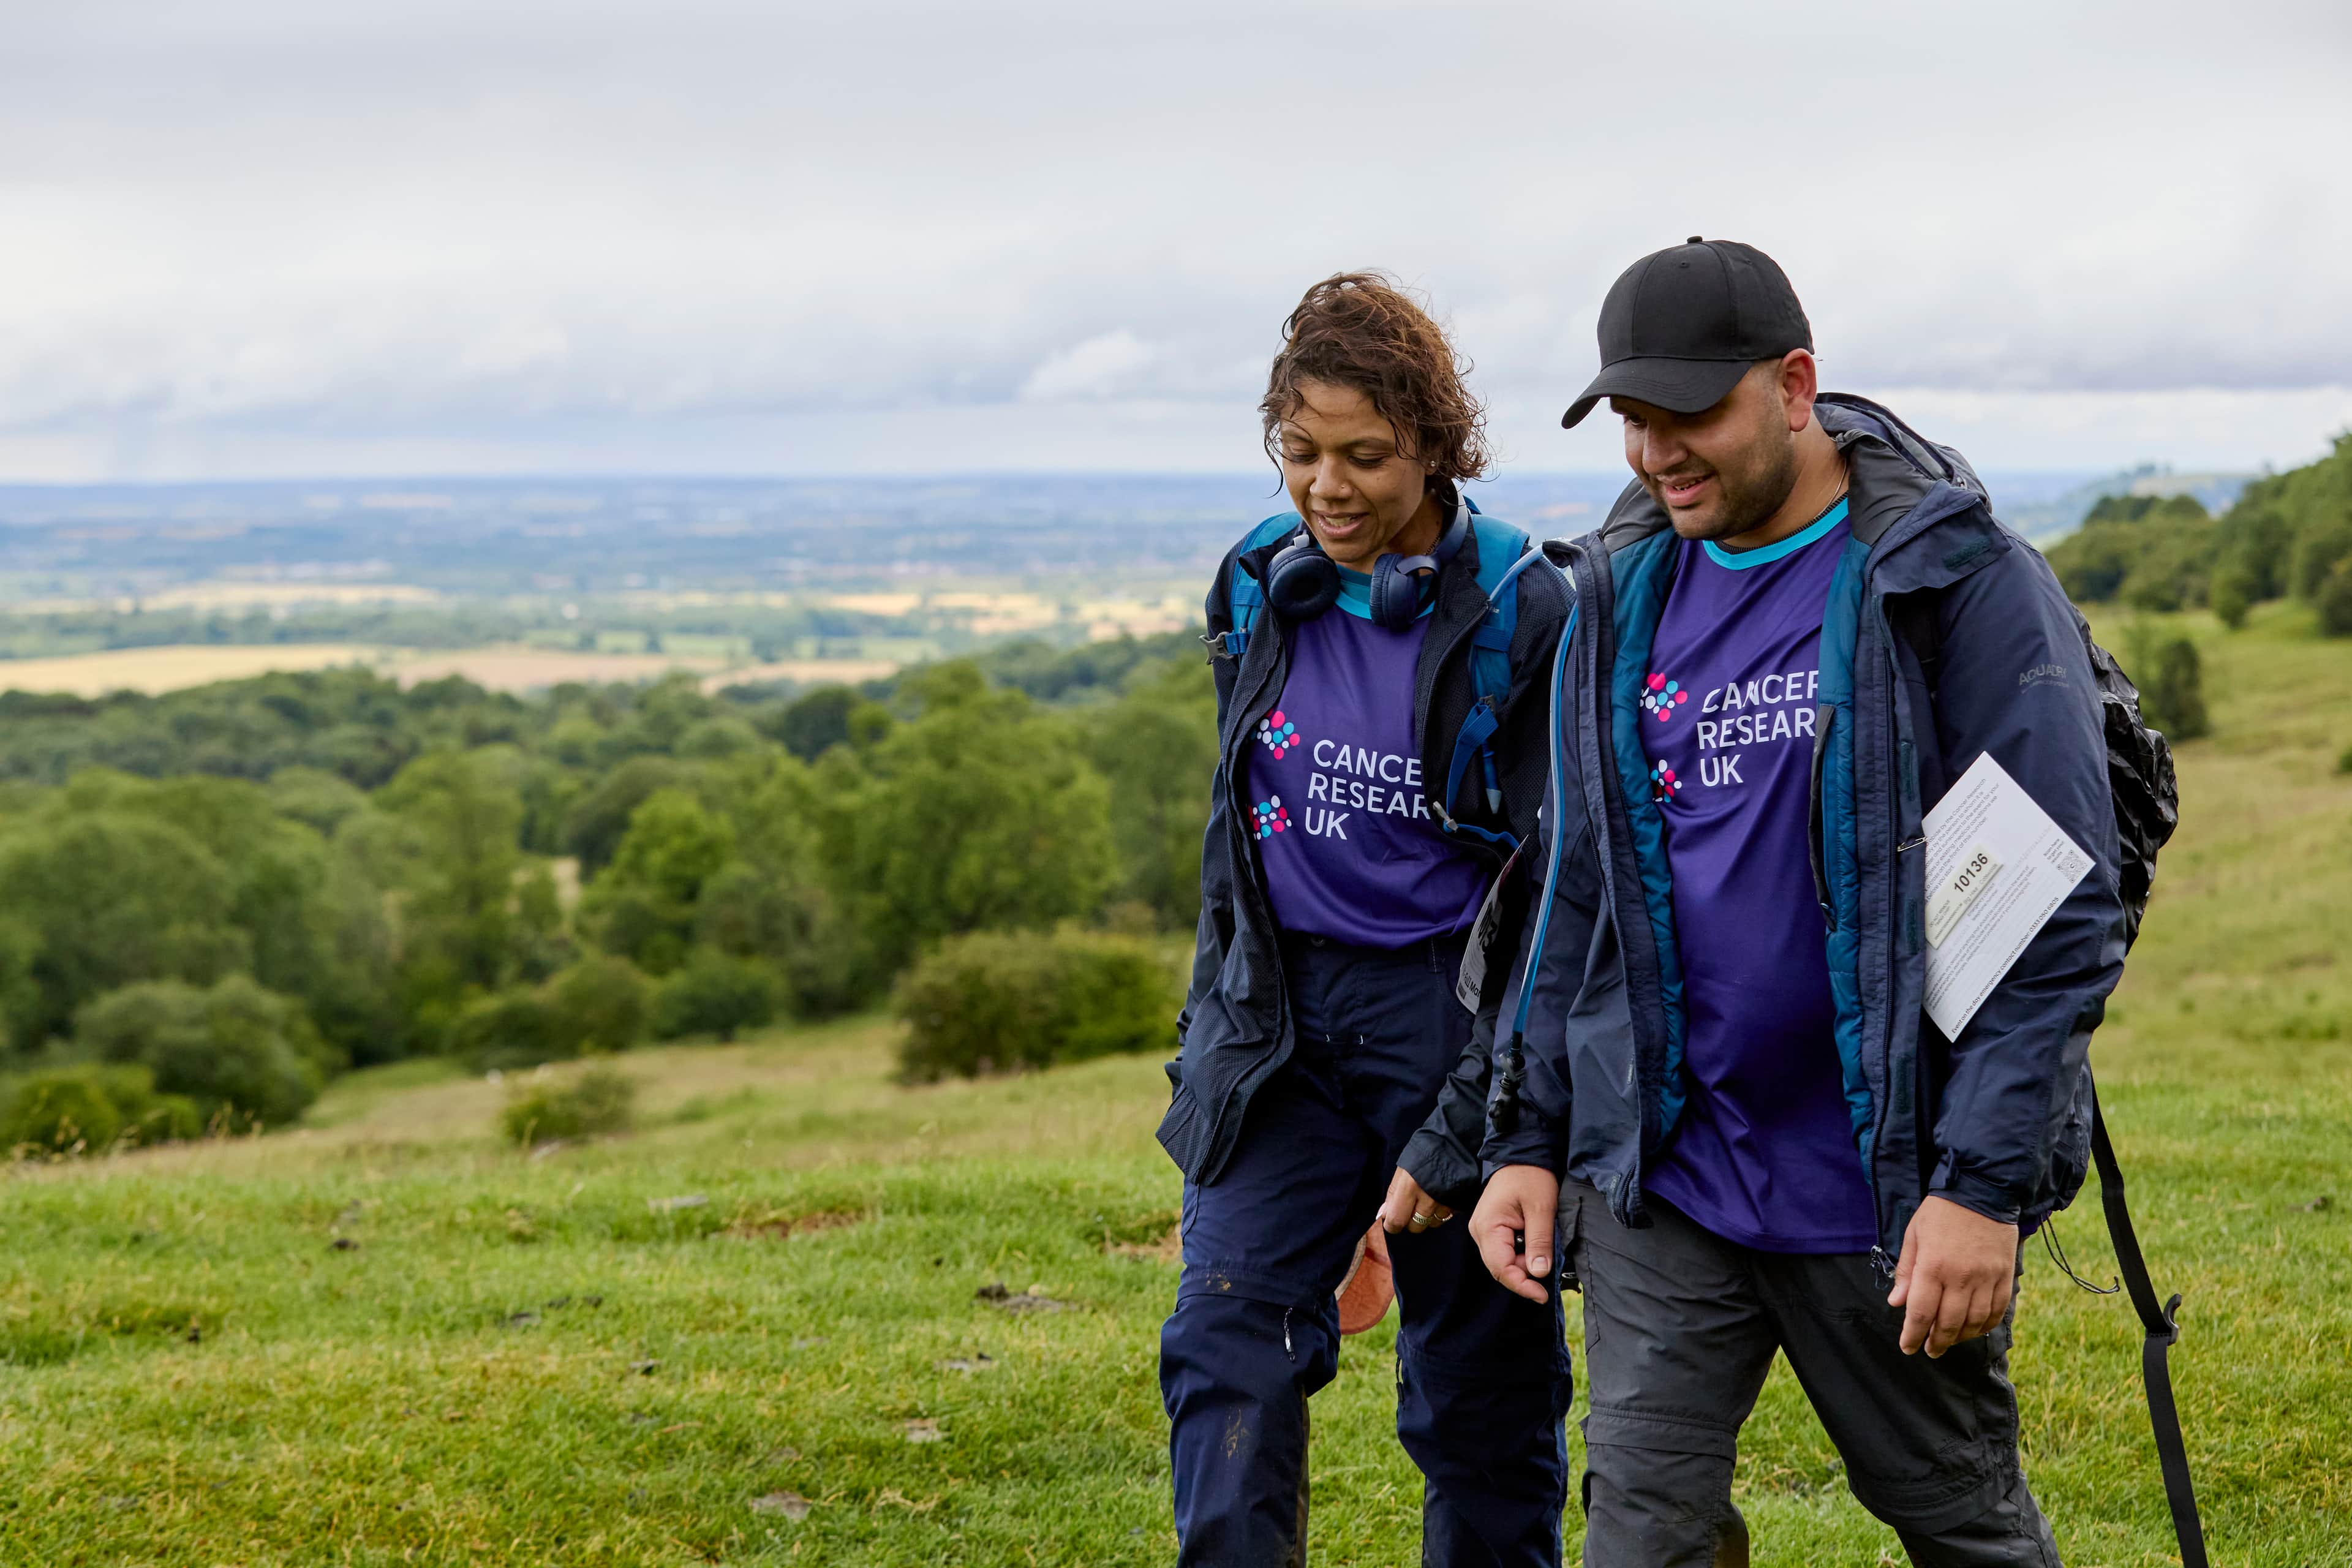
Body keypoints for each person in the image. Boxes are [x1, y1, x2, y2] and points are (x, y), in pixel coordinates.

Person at [1471, 238, 2124, 1567]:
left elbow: (2052, 909)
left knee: (1959, 1521)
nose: (1659, 453)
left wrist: (1981, 1189)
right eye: (1635, 422)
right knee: (1642, 1539)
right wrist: (1526, 1132)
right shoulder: (1623, 586)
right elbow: (1578, 894)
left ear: (1794, 385)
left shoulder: (1955, 580)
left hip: (1878, 1186)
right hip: (1672, 1174)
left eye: (1690, 415)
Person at [1156, 273, 1575, 1566]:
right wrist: (1210, 1040)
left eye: (1364, 456)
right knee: (1225, 1341)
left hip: (1453, 1015)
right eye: (1301, 452)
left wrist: (1497, 1104)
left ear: (1438, 448)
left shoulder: (1526, 611)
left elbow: (1563, 882)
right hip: (1282, 1015)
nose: (1326, 487)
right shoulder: (1253, 588)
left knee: (1476, 1388)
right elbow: (1238, 836)